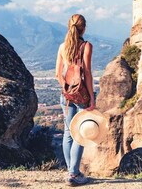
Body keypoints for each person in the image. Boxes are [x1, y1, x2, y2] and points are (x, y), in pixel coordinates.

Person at [55, 14, 95, 186]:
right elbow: (87, 73)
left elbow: (58, 73)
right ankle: (73, 174)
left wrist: (67, 89)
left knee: (68, 133)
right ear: (84, 28)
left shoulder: (63, 47)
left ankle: (71, 171)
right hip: (82, 95)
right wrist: (92, 98)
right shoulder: (86, 46)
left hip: (66, 95)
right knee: (80, 134)